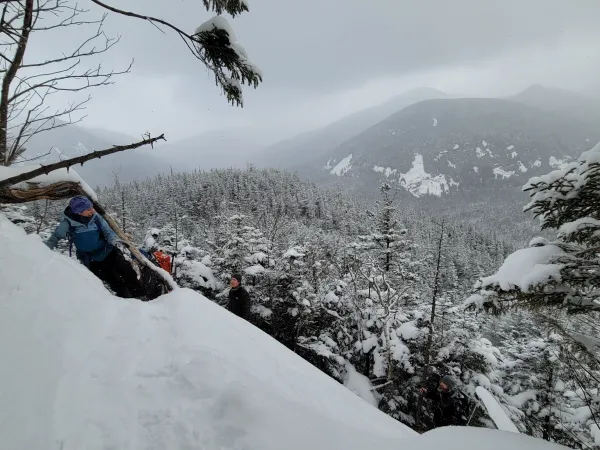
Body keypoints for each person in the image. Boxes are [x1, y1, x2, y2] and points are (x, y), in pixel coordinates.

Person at [46, 196, 145, 299]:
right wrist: (43, 250)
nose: (92, 210)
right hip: (91, 259)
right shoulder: (68, 223)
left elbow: (108, 232)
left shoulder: (96, 218)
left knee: (127, 270)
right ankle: (128, 301)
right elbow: (56, 237)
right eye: (88, 209)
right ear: (79, 212)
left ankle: (140, 296)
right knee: (113, 280)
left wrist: (115, 242)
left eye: (92, 207)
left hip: (108, 251)